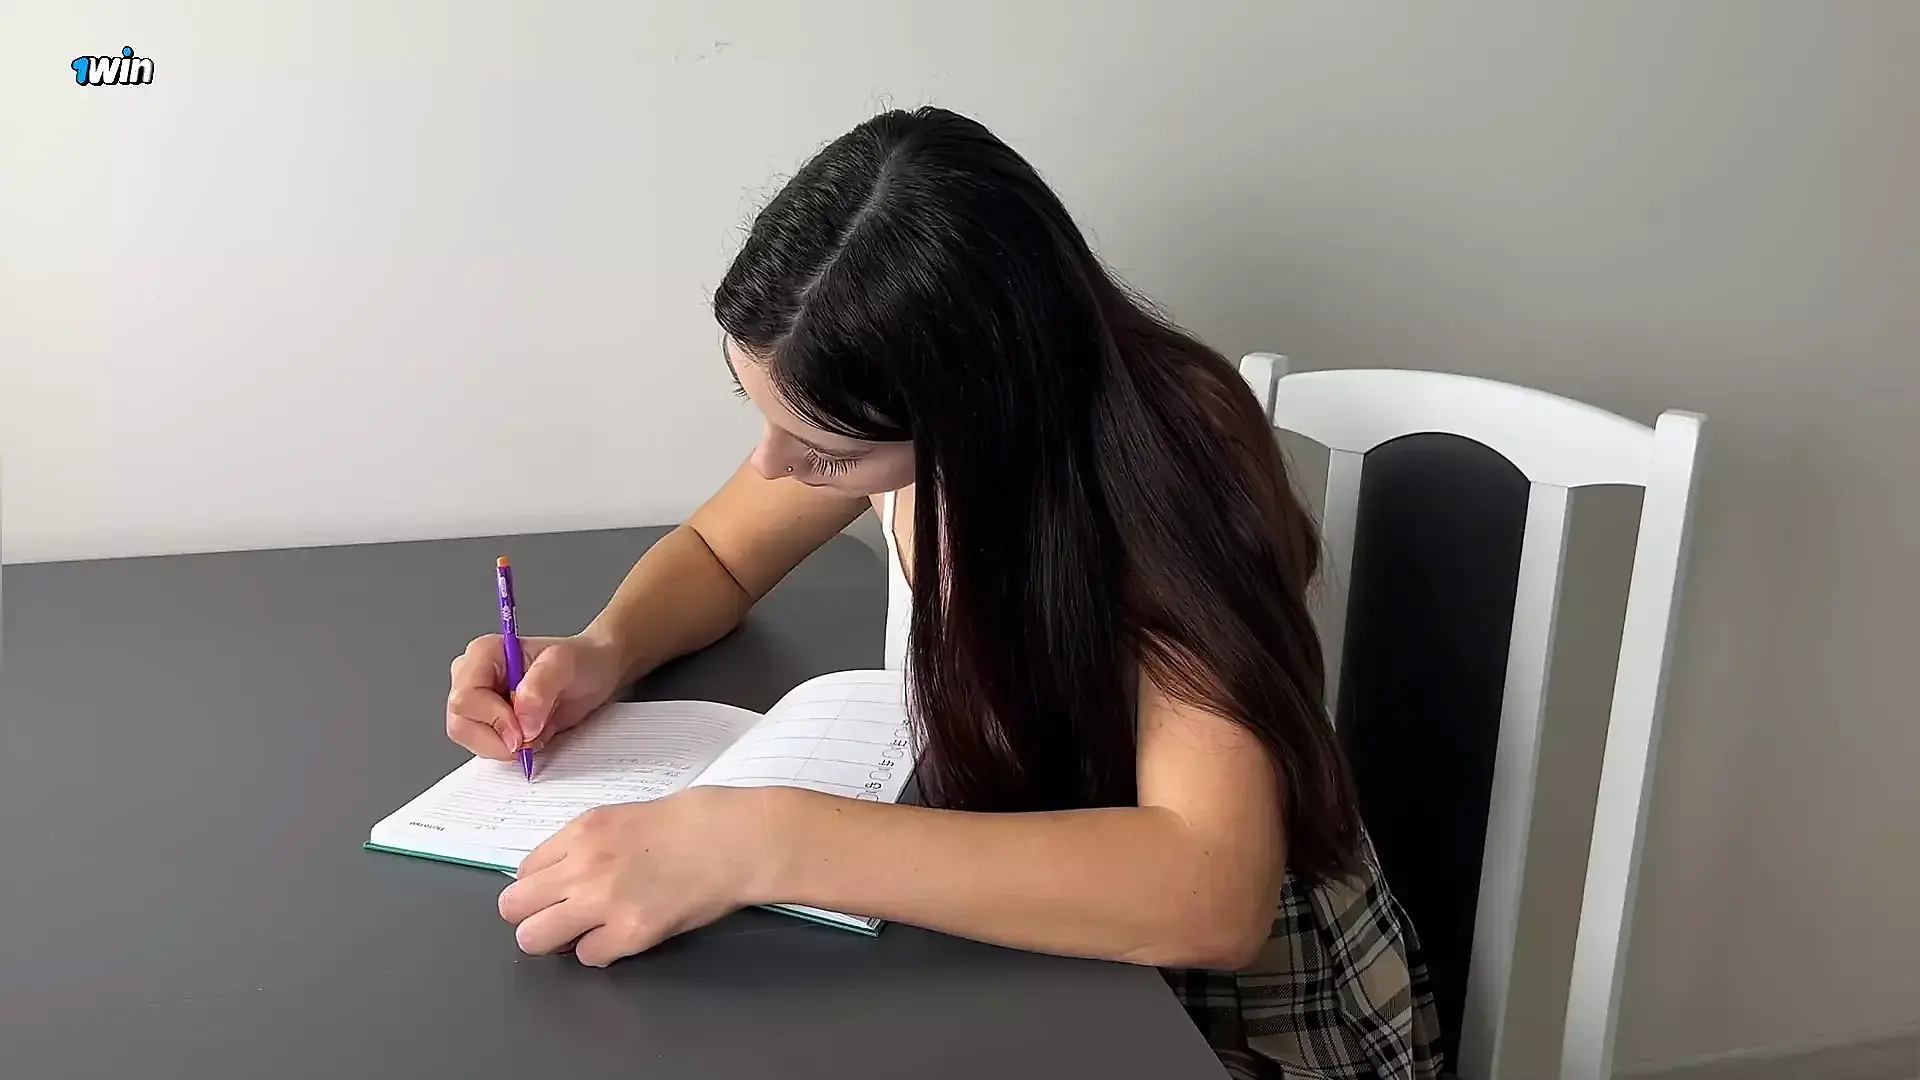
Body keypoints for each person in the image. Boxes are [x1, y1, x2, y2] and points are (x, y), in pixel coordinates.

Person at [445, 106, 1443, 1080]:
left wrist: (760, 840)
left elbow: (1210, 894)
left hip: (1235, 1017)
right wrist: (603, 650)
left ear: (977, 407)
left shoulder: (1174, 465)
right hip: (1041, 954)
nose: (773, 466)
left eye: (825, 450)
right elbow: (718, 552)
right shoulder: (883, 410)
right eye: (762, 414)